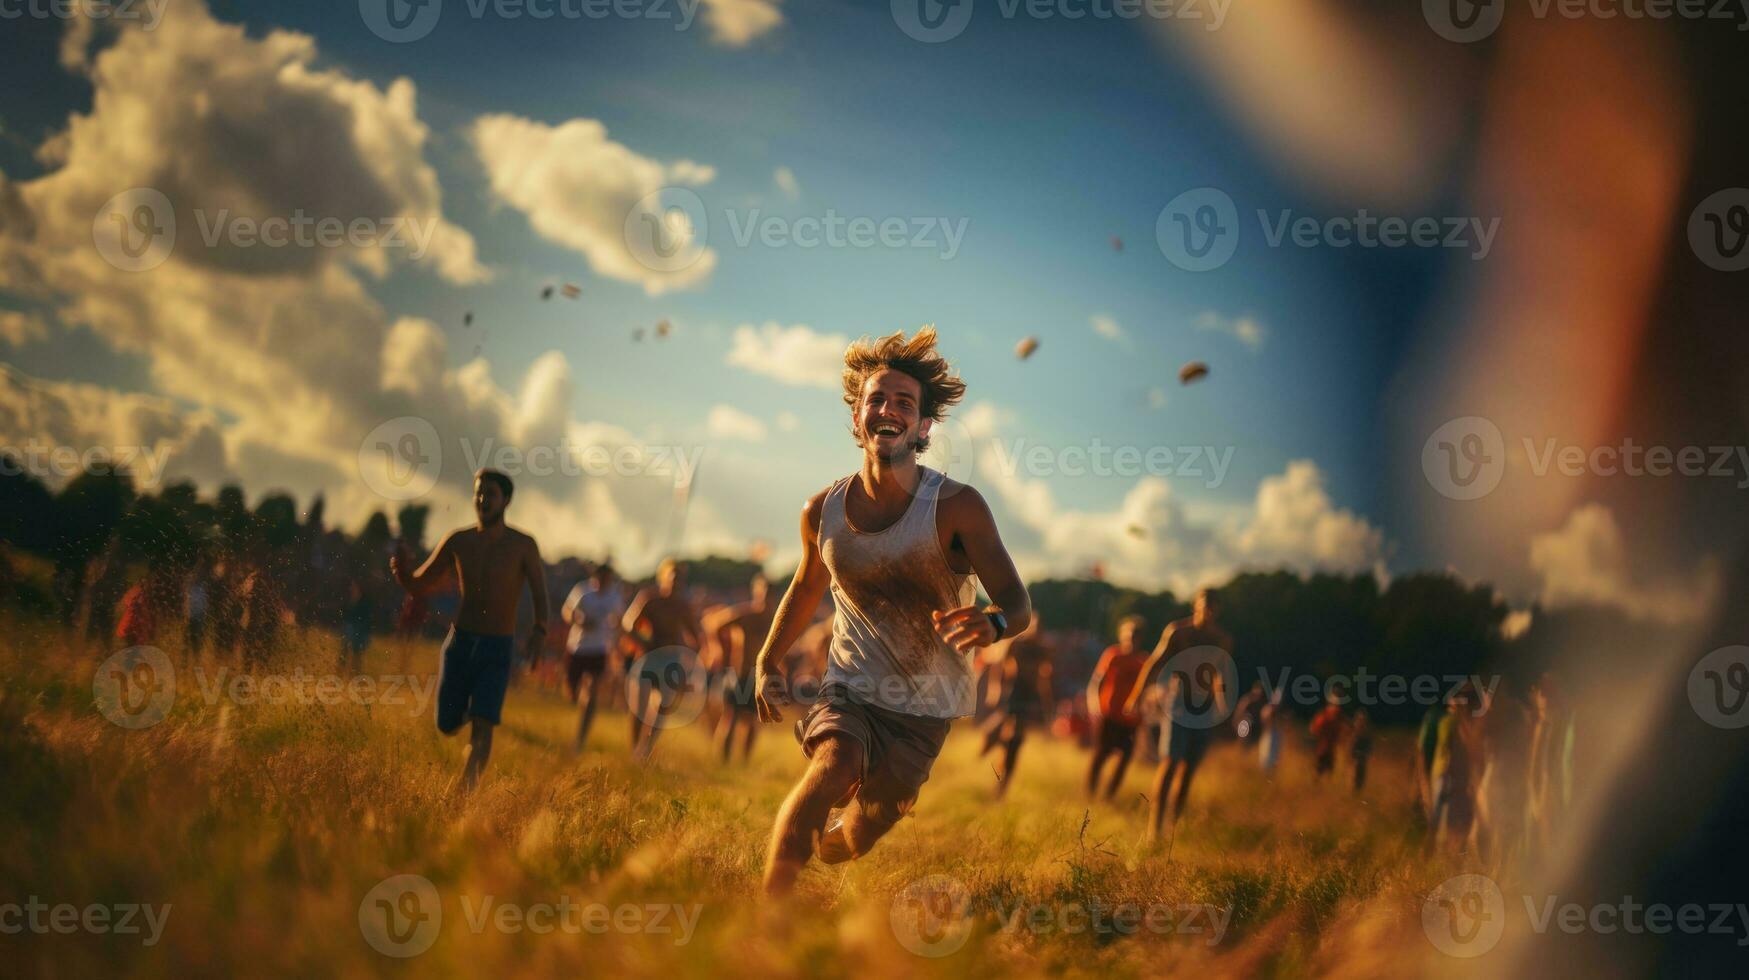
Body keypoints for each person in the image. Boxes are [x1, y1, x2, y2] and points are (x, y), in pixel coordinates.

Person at [750, 327, 1032, 895]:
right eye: (876, 398)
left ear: (924, 427)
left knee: (861, 833)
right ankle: (765, 924)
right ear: (857, 416)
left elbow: (1019, 604)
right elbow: (807, 587)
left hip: (925, 710)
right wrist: (767, 657)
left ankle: (837, 838)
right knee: (834, 766)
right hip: (849, 687)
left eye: (905, 402)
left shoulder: (957, 508)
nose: (888, 409)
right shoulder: (820, 512)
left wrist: (993, 622)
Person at [391, 469, 549, 793]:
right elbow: (419, 583)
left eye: (490, 494)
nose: (482, 500)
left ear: (505, 500)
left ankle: (465, 792)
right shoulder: (458, 541)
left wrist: (540, 630)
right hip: (460, 643)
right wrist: (402, 573)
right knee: (446, 725)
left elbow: (539, 592)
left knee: (484, 724)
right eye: (478, 493)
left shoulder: (523, 545)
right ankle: (467, 714)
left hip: (498, 646)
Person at [1126, 587, 1232, 838]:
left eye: (1213, 606)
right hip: (1178, 703)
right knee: (1170, 762)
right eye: (1205, 604)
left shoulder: (1222, 640)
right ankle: (1155, 830)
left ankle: (1173, 829)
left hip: (1204, 709)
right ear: (1196, 605)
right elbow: (1155, 661)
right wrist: (1137, 694)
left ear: (1218, 610)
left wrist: (1223, 708)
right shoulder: (1178, 632)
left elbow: (1220, 676)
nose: (1208, 610)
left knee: (1189, 769)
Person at [619, 558, 705, 761]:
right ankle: (635, 750)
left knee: (663, 707)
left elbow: (696, 638)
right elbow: (628, 624)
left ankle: (645, 749)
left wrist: (689, 664)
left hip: (671, 660)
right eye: (672, 579)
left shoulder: (683, 607)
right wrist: (643, 642)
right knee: (639, 708)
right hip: (648, 658)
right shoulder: (650, 599)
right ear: (663, 578)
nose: (676, 584)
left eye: (680, 580)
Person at [977, 613, 1053, 798]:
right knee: (995, 731)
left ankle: (1004, 782)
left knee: (1016, 741)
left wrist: (1046, 702)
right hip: (1012, 692)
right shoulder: (1017, 644)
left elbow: (1044, 677)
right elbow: (999, 666)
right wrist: (994, 690)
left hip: (1028, 697)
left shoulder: (1043, 650)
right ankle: (991, 746)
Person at [711, 573, 778, 764]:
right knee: (731, 717)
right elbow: (715, 626)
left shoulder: (775, 619)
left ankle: (743, 762)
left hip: (760, 677)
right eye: (763, 592)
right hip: (739, 674)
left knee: (754, 720)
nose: (766, 597)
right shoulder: (746, 614)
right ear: (756, 592)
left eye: (770, 593)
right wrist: (722, 652)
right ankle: (722, 762)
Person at [561, 563, 624, 753]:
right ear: (595, 576)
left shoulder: (614, 596)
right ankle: (577, 699)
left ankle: (581, 737)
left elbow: (620, 621)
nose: (605, 581)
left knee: (592, 692)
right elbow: (567, 611)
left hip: (599, 649)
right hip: (577, 647)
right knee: (572, 690)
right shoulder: (582, 590)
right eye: (602, 577)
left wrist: (615, 641)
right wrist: (579, 620)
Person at [1085, 615, 1148, 801]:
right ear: (1122, 635)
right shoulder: (1113, 654)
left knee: (1125, 758)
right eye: (1129, 634)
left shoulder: (1144, 662)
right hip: (1109, 714)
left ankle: (1108, 797)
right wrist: (1094, 704)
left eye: (1135, 635)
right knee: (1101, 754)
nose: (1131, 639)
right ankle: (1090, 794)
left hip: (1130, 719)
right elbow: (1097, 681)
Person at [1309, 688, 1347, 779]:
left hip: (1329, 751)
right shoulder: (1325, 716)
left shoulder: (1337, 717)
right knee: (1319, 775)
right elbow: (1314, 730)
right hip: (1322, 750)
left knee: (1325, 776)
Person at [1350, 709, 1374, 794]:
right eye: (1359, 719)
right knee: (1354, 775)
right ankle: (1354, 791)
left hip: (1363, 758)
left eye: (1363, 720)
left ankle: (1358, 791)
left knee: (1362, 775)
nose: (1361, 722)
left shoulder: (1366, 732)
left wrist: (1367, 753)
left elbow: (1369, 745)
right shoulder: (1355, 732)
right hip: (1357, 758)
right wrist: (1352, 755)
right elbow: (1352, 745)